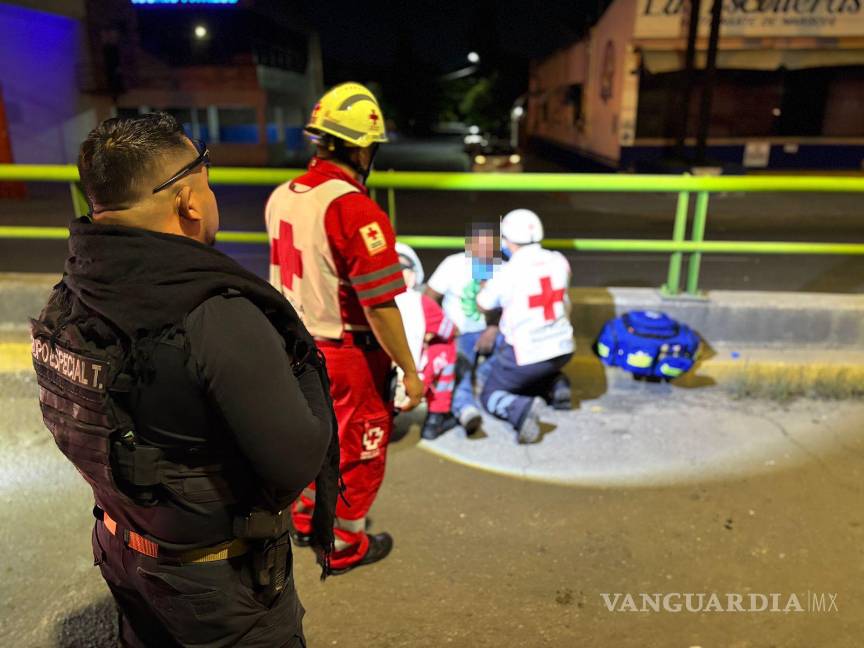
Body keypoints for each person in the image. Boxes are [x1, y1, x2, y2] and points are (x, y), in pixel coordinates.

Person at [31, 113, 337, 647]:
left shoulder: (75, 290)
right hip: (214, 586)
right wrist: (303, 364)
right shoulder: (214, 314)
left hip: (122, 547)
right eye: (208, 181)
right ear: (188, 201)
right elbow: (297, 461)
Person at [266, 82, 423, 573]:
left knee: (312, 440)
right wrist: (410, 370)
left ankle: (307, 514)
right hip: (346, 355)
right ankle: (344, 544)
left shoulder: (283, 196)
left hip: (293, 347)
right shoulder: (353, 209)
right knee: (361, 450)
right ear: (360, 147)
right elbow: (379, 305)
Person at [477, 209, 574, 444]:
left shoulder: (508, 272)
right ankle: (555, 384)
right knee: (534, 371)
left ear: (507, 240)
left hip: (527, 354)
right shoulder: (559, 260)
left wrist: (483, 272)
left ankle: (520, 410)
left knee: (489, 394)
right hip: (563, 349)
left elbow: (483, 304)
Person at [425, 224, 502, 433]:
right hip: (459, 333)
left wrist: (493, 328)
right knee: (459, 367)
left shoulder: (502, 269)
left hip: (492, 330)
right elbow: (429, 298)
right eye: (480, 247)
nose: (485, 253)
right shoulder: (453, 265)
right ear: (470, 247)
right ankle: (466, 408)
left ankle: (483, 383)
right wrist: (443, 328)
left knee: (513, 352)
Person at [394, 242, 459, 440]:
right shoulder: (420, 302)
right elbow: (450, 331)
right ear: (412, 276)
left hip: (373, 382)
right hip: (408, 384)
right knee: (445, 349)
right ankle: (436, 418)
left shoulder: (365, 300)